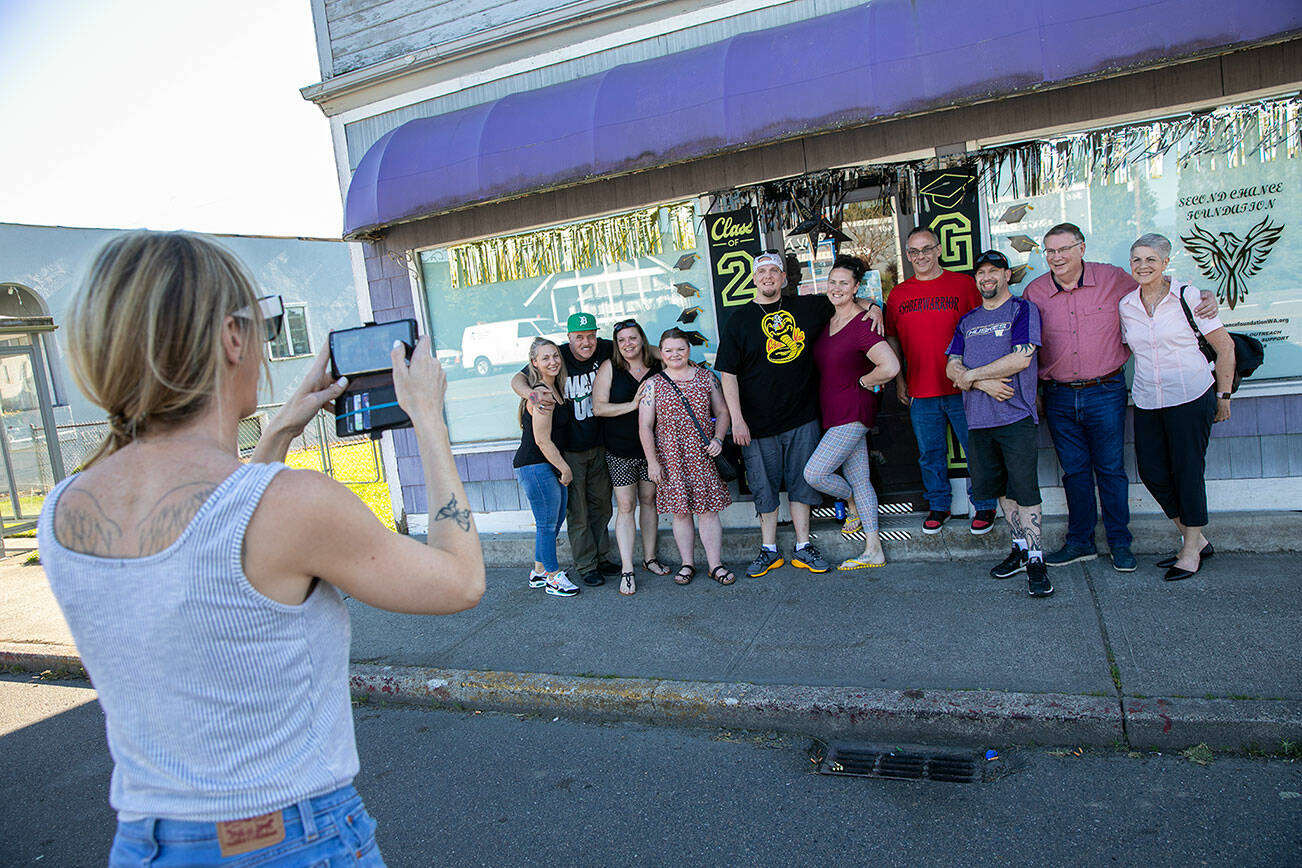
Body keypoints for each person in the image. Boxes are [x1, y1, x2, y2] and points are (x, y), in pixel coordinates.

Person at [38, 231, 485, 866]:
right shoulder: (293, 504)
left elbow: (215, 552)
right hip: (290, 838)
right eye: (264, 324)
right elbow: (461, 580)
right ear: (230, 337)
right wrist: (429, 419)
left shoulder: (63, 510)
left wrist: (277, 429)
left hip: (146, 842)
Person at [1024, 222, 1218, 573]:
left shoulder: (1114, 279)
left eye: (1064, 249)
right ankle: (1080, 542)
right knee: (1075, 471)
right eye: (1050, 251)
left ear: (1081, 248)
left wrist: (1204, 294)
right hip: (1058, 395)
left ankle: (1119, 543)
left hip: (1106, 390)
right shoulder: (1034, 292)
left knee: (1111, 470)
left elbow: (1161, 285)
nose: (1056, 257)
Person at [716, 251, 881, 579]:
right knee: (763, 486)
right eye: (761, 271)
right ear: (753, 278)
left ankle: (804, 546)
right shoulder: (738, 320)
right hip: (756, 424)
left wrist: (874, 306)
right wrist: (737, 419)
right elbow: (728, 374)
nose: (767, 276)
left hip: (802, 416)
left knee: (801, 483)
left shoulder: (808, 307)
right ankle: (769, 549)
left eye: (773, 271)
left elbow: (846, 298)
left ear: (784, 278)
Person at [1119, 233, 1235, 581]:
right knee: (1153, 472)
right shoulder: (1127, 305)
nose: (1143, 266)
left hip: (1191, 394)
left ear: (1165, 263)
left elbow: (1225, 348)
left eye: (1151, 259)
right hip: (1148, 399)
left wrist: (1224, 396)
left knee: (1188, 471)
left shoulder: (1190, 297)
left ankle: (1190, 548)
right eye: (1137, 259)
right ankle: (1195, 537)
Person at [946, 250, 1051, 597]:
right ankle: (1019, 548)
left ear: (1007, 275)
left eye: (994, 271)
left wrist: (972, 376)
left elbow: (1023, 357)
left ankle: (1036, 558)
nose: (987, 277)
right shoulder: (967, 320)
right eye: (981, 272)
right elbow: (951, 366)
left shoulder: (1022, 309)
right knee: (1002, 490)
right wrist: (982, 382)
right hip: (978, 421)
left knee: (1025, 489)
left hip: (1015, 416)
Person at [885, 227, 997, 535]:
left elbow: (984, 326)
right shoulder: (898, 295)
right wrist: (899, 380)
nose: (920, 256)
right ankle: (939, 504)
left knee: (975, 448)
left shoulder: (963, 285)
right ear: (908, 256)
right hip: (921, 388)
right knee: (929, 452)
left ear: (938, 250)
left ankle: (984, 504)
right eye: (913, 252)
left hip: (965, 386)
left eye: (926, 249)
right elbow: (892, 338)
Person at [803, 254, 900, 570]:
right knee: (860, 479)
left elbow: (891, 365)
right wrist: (875, 303)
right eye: (832, 282)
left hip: (854, 410)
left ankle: (851, 504)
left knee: (815, 473)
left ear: (856, 286)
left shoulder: (864, 323)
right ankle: (874, 549)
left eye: (844, 283)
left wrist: (864, 380)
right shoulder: (828, 318)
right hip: (835, 410)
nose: (836, 288)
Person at [511, 312, 618, 587]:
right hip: (563, 455)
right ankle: (578, 567)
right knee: (573, 514)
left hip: (596, 445)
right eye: (579, 337)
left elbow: (637, 345)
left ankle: (599, 558)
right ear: (568, 339)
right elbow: (517, 380)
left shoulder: (602, 348)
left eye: (590, 335)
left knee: (600, 507)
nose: (586, 341)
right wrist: (531, 395)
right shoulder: (548, 369)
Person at [638, 328, 734, 586]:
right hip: (671, 458)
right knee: (681, 513)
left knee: (708, 512)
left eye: (680, 348)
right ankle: (687, 564)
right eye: (668, 350)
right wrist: (652, 462)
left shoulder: (706, 378)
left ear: (689, 350)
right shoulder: (653, 384)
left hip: (703, 455)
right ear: (661, 353)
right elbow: (645, 426)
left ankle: (715, 565)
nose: (674, 354)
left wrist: (718, 438)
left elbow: (723, 412)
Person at [593, 319, 667, 595]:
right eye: (621, 340)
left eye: (632, 338)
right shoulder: (610, 367)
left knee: (649, 501)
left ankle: (650, 559)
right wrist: (632, 405)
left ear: (642, 339)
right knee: (626, 506)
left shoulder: (657, 364)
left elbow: (671, 354)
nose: (627, 344)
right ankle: (628, 569)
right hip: (620, 450)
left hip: (651, 450)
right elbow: (599, 408)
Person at [514, 337, 581, 597]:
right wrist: (565, 468)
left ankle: (539, 571)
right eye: (545, 358)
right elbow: (541, 440)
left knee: (554, 521)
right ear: (534, 363)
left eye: (555, 356)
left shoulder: (553, 389)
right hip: (535, 465)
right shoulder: (541, 394)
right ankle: (553, 578)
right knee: (546, 523)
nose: (553, 361)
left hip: (545, 465)